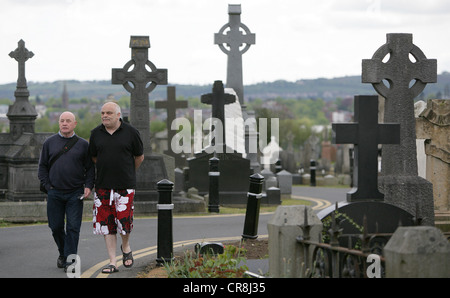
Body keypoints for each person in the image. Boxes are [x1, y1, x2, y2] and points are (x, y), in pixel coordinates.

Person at [89, 102, 144, 274]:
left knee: (124, 223)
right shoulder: (95, 134)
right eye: (103, 113)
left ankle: (126, 246)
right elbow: (94, 157)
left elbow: (139, 157)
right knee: (107, 225)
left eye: (109, 113)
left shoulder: (131, 133)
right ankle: (113, 262)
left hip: (125, 186)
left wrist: (126, 171)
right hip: (103, 187)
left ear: (118, 115)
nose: (105, 115)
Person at [38, 111, 94, 271]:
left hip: (75, 193)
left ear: (74, 124)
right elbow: (42, 167)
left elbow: (90, 168)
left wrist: (89, 185)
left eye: (68, 121)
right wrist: (48, 186)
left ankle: (70, 260)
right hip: (54, 192)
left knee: (73, 227)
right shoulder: (49, 142)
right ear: (59, 123)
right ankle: (63, 253)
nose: (64, 123)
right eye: (62, 120)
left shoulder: (83, 145)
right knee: (55, 226)